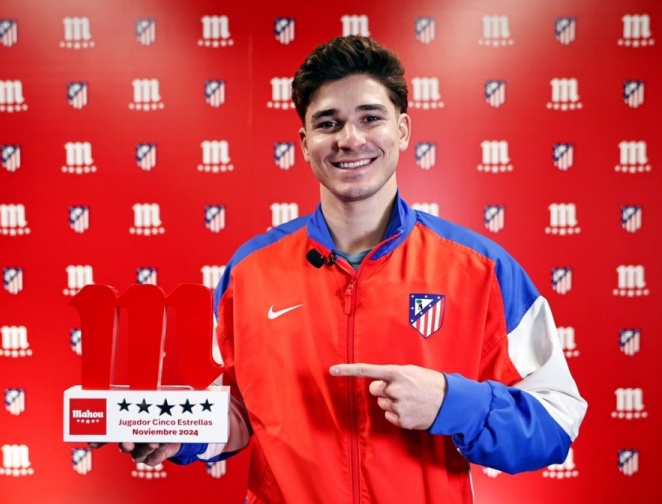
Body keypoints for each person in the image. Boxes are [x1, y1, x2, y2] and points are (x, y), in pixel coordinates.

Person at [109, 36, 587, 503]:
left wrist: (450, 402)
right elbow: (237, 408)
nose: (350, 139)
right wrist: (179, 432)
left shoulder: (482, 269)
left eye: (370, 117)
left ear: (402, 129)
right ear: (305, 143)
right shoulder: (249, 271)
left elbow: (557, 419)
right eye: (328, 123)